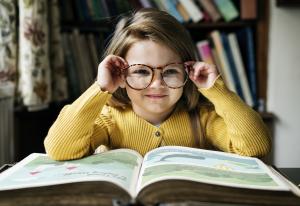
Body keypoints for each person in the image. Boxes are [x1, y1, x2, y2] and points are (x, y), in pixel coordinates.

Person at [44, 9, 270, 161]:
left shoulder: (202, 118)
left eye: (170, 71)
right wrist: (100, 89)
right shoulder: (109, 119)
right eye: (142, 71)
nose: (157, 84)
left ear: (188, 72)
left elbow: (255, 147)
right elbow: (59, 149)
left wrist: (218, 92)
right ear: (119, 74)